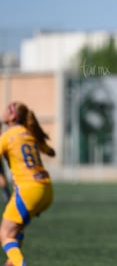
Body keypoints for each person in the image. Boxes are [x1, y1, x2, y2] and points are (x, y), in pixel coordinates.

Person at [0, 101, 55, 266]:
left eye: (6, 110)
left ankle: (19, 264)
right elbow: (51, 152)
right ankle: (12, 262)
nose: (2, 112)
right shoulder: (29, 133)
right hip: (46, 190)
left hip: (28, 190)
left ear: (12, 116)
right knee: (16, 230)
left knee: (5, 234)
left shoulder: (7, 137)